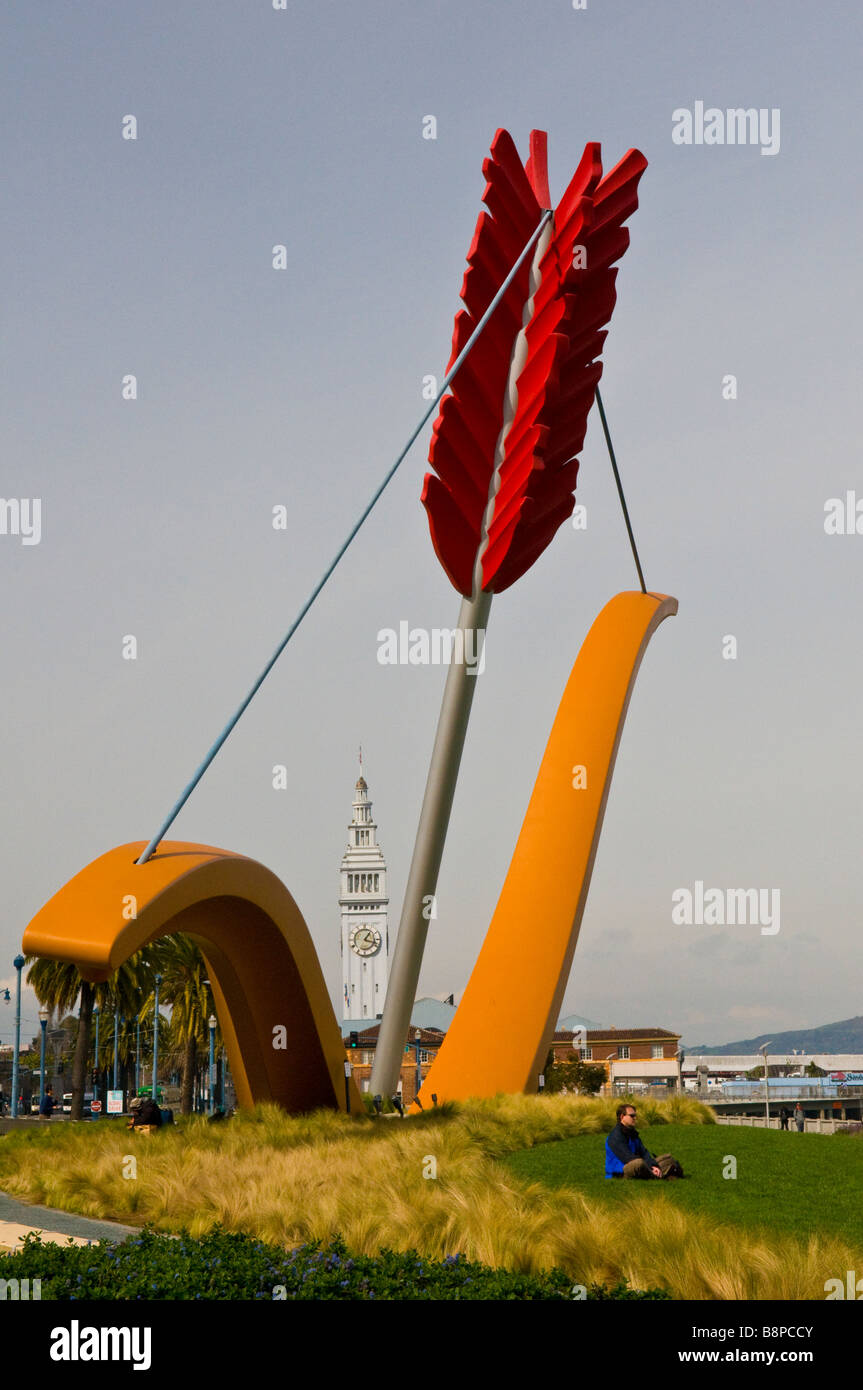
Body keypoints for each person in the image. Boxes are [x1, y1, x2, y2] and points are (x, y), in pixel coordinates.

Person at [606, 1103, 666, 1178]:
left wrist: (653, 1165)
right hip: (620, 1172)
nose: (635, 1118)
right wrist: (650, 1167)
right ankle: (658, 1176)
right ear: (622, 1117)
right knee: (639, 1163)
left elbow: (644, 1152)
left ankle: (659, 1173)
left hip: (637, 1163)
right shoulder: (615, 1136)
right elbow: (627, 1157)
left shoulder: (632, 1133)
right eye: (632, 1116)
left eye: (635, 1116)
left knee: (666, 1159)